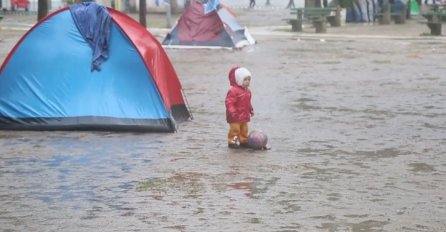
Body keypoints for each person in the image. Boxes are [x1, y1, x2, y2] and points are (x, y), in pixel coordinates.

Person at [225, 66, 254, 149]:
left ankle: (243, 141)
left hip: (244, 115)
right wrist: (232, 111)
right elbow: (229, 102)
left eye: (249, 79)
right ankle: (232, 142)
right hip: (234, 115)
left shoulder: (248, 91)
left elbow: (248, 102)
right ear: (239, 80)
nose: (247, 81)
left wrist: (250, 110)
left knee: (244, 129)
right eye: (245, 79)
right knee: (235, 130)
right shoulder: (233, 90)